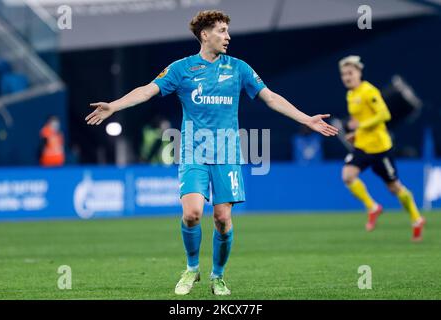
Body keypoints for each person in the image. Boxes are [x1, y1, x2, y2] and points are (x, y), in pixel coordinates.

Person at [85, 10, 338, 296]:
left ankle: (218, 276)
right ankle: (192, 269)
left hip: (227, 153)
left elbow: (271, 97)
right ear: (205, 35)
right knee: (192, 214)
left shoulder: (239, 68)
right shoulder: (181, 69)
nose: (227, 36)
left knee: (222, 218)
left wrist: (305, 119)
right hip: (193, 151)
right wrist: (114, 106)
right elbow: (147, 91)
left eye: (227, 30)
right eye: (221, 30)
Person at [339, 55, 425, 242]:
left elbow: (384, 114)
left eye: (350, 73)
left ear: (359, 73)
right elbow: (358, 121)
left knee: (394, 187)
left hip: (380, 149)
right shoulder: (351, 95)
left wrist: (360, 127)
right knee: (347, 175)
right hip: (362, 147)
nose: (347, 77)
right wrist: (356, 134)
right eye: (344, 74)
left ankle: (416, 219)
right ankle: (372, 207)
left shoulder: (369, 91)